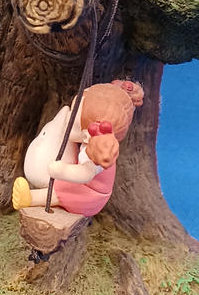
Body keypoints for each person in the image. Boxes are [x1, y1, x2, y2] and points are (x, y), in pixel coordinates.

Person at [12, 80, 143, 217]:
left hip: (91, 196)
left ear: (87, 134)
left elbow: (86, 174)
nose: (68, 118)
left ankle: (30, 198)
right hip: (84, 187)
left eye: (73, 123)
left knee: (64, 190)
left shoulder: (99, 154)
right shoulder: (91, 143)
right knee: (65, 187)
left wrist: (63, 171)